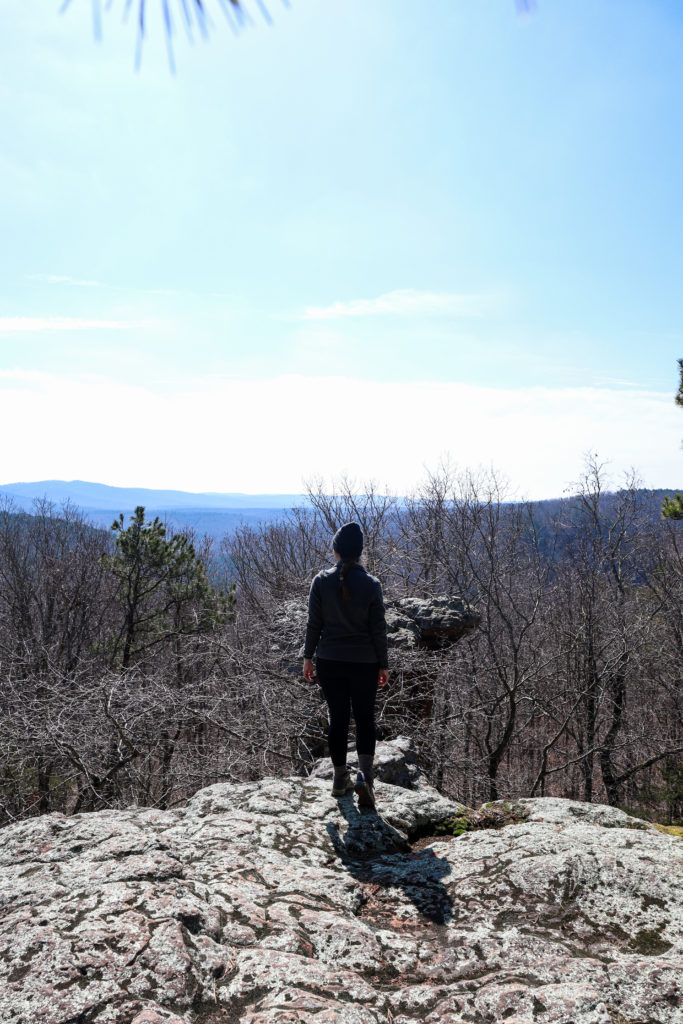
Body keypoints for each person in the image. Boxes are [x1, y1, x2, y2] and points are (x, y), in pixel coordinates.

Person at [303, 521, 389, 808]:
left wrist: (307, 657)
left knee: (337, 718)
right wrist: (383, 664)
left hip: (330, 661)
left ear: (336, 550)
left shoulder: (321, 581)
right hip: (365, 662)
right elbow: (378, 628)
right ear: (360, 552)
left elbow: (314, 624)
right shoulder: (371, 585)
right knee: (365, 719)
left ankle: (340, 779)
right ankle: (365, 778)